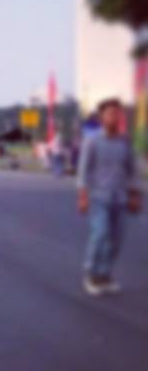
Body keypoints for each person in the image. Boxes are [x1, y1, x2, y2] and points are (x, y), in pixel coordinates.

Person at [77, 98, 141, 296]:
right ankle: (91, 274)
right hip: (99, 197)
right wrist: (83, 196)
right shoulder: (92, 141)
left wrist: (135, 196)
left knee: (117, 239)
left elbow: (132, 171)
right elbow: (83, 171)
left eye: (117, 113)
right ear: (102, 116)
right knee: (100, 234)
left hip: (120, 198)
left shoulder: (125, 142)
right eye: (110, 113)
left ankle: (105, 275)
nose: (114, 116)